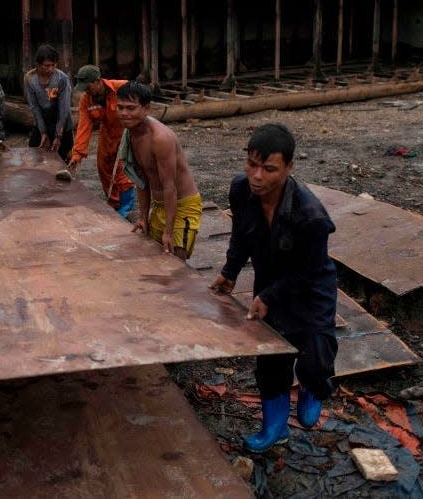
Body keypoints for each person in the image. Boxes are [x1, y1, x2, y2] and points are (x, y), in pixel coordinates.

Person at [208, 123, 337, 454]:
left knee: (315, 355)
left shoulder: (311, 216)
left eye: (268, 168)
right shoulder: (241, 191)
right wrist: (230, 271)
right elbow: (241, 234)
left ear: (289, 167)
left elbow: (308, 270)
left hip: (311, 289)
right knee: (271, 359)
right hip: (269, 282)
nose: (257, 176)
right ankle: (275, 429)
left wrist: (269, 296)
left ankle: (312, 386)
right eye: (252, 164)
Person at [115, 81, 202, 260]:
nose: (124, 113)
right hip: (159, 205)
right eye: (120, 107)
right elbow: (141, 180)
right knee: (155, 256)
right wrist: (143, 216)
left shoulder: (160, 138)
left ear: (146, 109)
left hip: (182, 205)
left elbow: (170, 187)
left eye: (131, 108)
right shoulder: (131, 134)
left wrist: (168, 232)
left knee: (176, 258)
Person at [69, 65, 135, 218]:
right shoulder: (86, 100)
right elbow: (83, 127)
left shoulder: (123, 87)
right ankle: (114, 202)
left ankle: (127, 207)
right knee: (103, 166)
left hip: (126, 131)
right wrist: (77, 155)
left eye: (88, 87)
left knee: (122, 168)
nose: (86, 91)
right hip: (107, 134)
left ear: (98, 81)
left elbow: (139, 105)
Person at [24, 43, 73, 161]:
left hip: (62, 122)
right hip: (43, 121)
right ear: (38, 64)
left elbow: (64, 109)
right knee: (35, 155)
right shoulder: (30, 79)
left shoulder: (62, 79)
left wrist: (58, 136)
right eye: (46, 66)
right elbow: (34, 107)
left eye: (53, 65)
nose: (50, 69)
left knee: (64, 159)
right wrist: (43, 132)